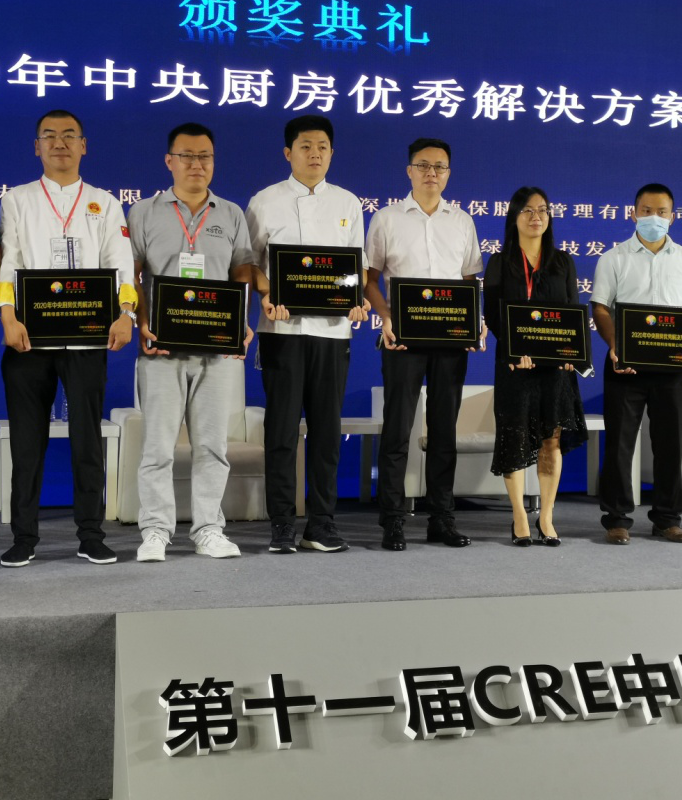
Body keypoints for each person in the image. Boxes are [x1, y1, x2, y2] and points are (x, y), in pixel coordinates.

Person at [0, 110, 138, 566]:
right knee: (27, 441)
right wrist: (8, 316)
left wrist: (127, 314)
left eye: (69, 135)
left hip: (88, 338)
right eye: (50, 136)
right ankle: (24, 537)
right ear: (36, 146)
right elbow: (10, 261)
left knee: (87, 440)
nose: (60, 143)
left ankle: (91, 534)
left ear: (84, 145)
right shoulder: (16, 199)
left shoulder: (104, 202)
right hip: (29, 337)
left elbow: (121, 260)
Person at [126, 123, 255, 562]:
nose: (196, 164)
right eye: (187, 156)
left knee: (213, 448)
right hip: (161, 350)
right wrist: (142, 321)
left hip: (216, 351)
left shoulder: (231, 214)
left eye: (205, 156)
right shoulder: (144, 212)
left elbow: (241, 272)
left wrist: (240, 322)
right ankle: (155, 531)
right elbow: (134, 274)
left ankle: (208, 529)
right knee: (157, 449)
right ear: (170, 161)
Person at [245, 114, 370, 553]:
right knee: (281, 430)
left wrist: (356, 298)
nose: (314, 154)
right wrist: (266, 293)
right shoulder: (264, 201)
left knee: (326, 431)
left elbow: (356, 268)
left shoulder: (348, 203)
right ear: (288, 153)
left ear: (332, 153)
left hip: (333, 333)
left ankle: (322, 523)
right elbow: (251, 264)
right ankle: (282, 523)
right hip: (281, 328)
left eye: (322, 147)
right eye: (305, 146)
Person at [364, 137, 484, 551]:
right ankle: (392, 520)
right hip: (403, 340)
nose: (432, 173)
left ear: (448, 173)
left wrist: (473, 322)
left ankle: (442, 518)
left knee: (444, 432)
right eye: (423, 165)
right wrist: (386, 316)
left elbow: (469, 281)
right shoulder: (386, 219)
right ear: (409, 171)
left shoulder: (462, 221)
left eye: (440, 167)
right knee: (397, 430)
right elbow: (369, 279)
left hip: (450, 340)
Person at [592, 182, 682, 545]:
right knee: (619, 444)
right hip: (624, 365)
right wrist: (616, 346)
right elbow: (601, 307)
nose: (654, 218)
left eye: (661, 212)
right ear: (633, 214)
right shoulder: (613, 258)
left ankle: (668, 519)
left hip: (672, 367)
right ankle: (616, 519)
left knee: (670, 444)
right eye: (646, 211)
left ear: (672, 217)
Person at [483, 187, 588, 547]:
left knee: (550, 440)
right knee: (514, 437)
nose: (536, 217)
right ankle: (518, 516)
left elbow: (572, 312)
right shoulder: (499, 262)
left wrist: (570, 352)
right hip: (515, 366)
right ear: (514, 217)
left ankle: (546, 517)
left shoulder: (563, 262)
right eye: (527, 210)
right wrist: (516, 351)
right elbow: (493, 315)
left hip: (554, 370)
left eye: (542, 210)